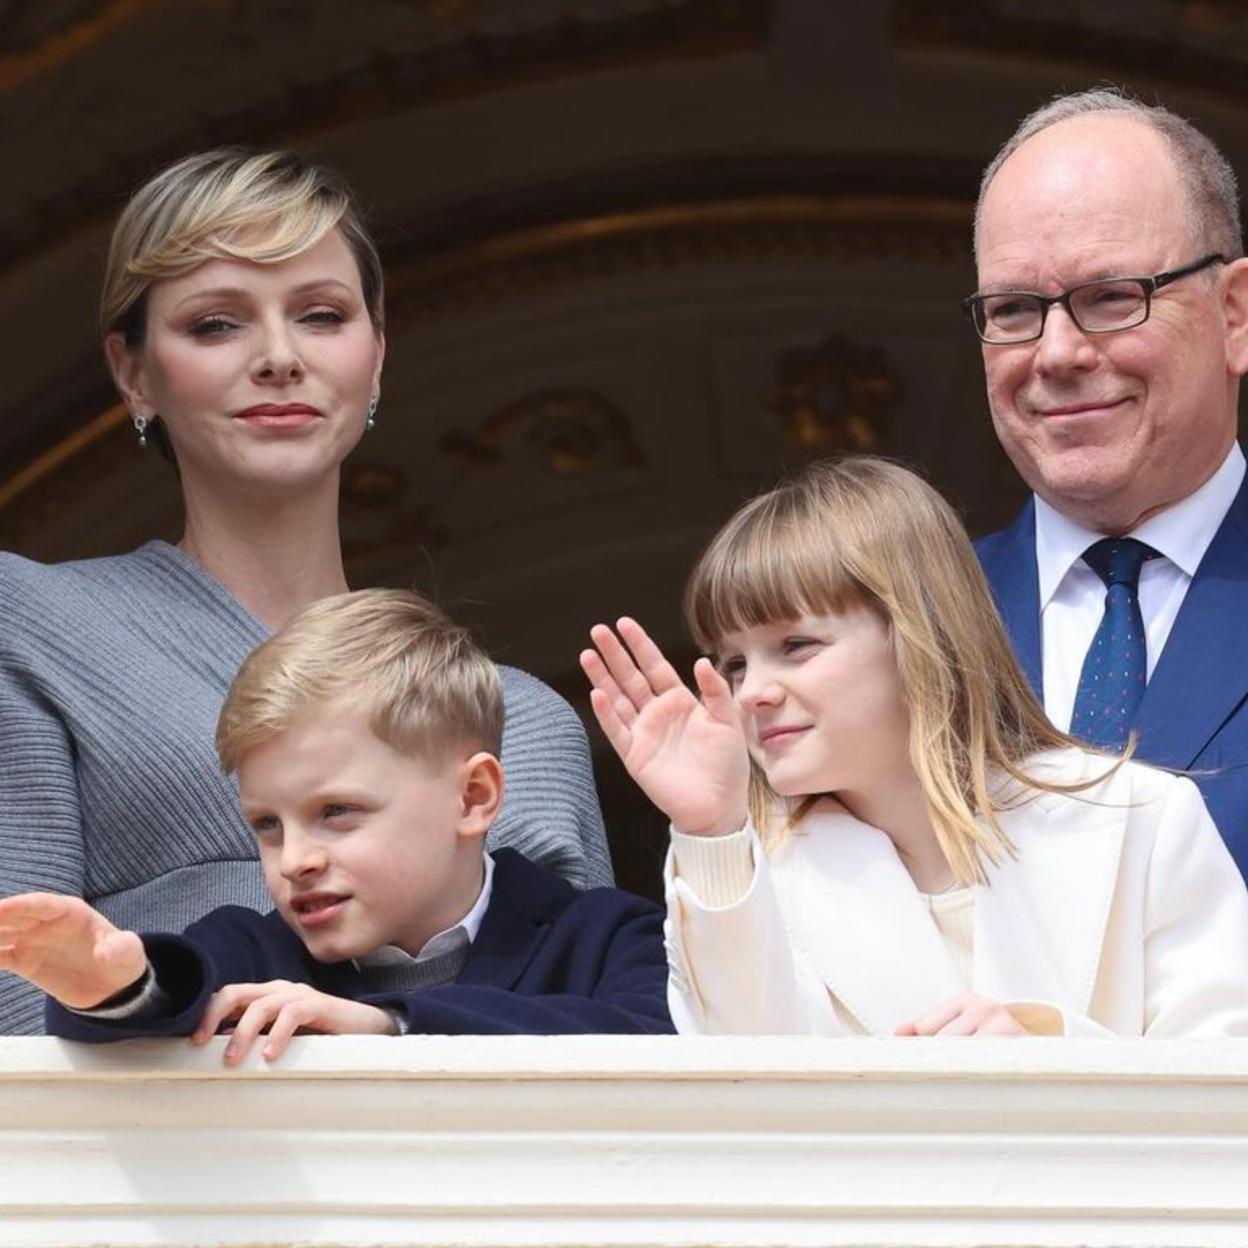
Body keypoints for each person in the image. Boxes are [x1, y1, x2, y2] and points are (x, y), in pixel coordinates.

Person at [0, 148, 612, 1036]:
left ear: (376, 353)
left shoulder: (528, 725)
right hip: (147, 1163)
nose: (280, 358)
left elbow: (599, 1059)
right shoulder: (33, 625)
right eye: (216, 325)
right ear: (132, 372)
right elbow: (13, 994)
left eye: (322, 316)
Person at [581, 457, 1248, 1037]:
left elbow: (1221, 1087)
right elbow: (745, 1093)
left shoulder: (1144, 819)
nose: (753, 691)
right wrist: (714, 833)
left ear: (920, 633)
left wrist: (1050, 1056)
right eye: (733, 664)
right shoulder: (743, 878)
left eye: (795, 646)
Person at [0, 589, 670, 1057]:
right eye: (267, 824)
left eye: (336, 812)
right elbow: (168, 1000)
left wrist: (392, 1029)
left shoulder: (607, 935)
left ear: (472, 798)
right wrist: (112, 985)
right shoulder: (251, 948)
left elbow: (654, 1038)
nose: (294, 860)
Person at [968, 89, 1248, 881]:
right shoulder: (895, 626)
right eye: (1017, 309)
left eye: (1111, 298)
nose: (1057, 353)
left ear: (1234, 314)